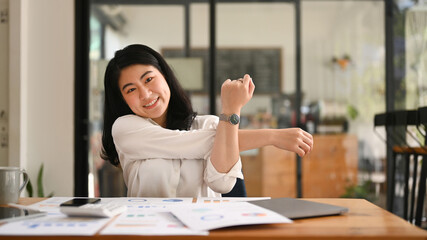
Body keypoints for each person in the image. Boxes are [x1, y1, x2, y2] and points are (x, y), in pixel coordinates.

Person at [101, 44, 313, 198]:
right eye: (131, 89)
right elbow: (209, 141)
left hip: (204, 229)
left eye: (149, 79)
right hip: (147, 231)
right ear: (122, 99)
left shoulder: (211, 125)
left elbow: (222, 183)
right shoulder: (125, 129)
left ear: (165, 76)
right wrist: (271, 135)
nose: (145, 94)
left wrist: (230, 114)